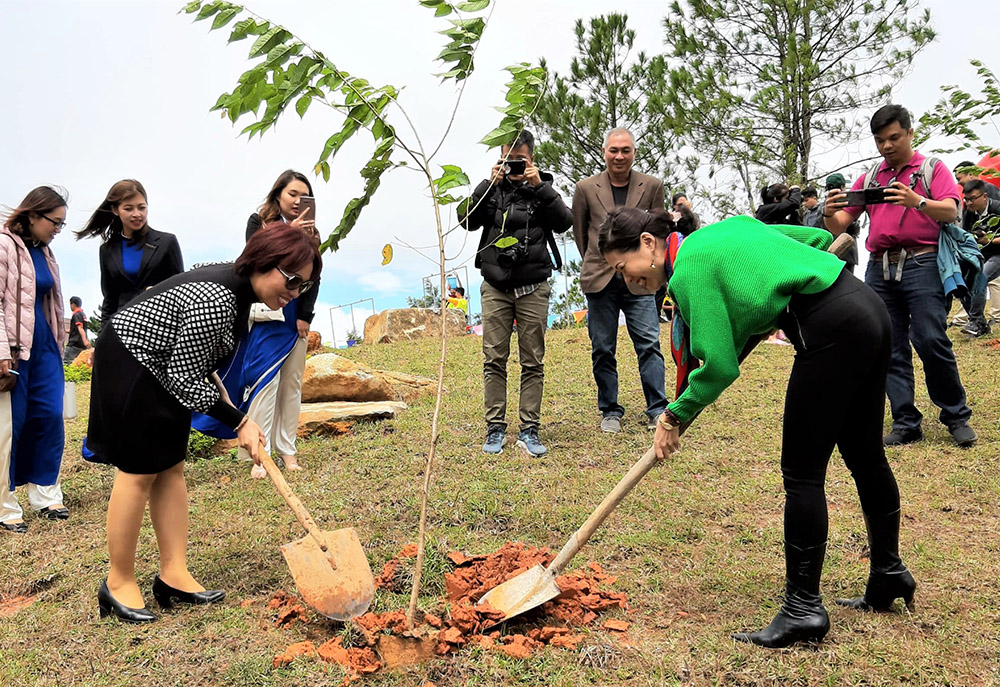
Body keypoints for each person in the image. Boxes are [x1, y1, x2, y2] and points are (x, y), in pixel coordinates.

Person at [599, 208, 915, 649]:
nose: (626, 279)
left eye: (622, 267)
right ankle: (888, 572)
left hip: (830, 330)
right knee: (865, 454)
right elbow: (812, 237)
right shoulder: (719, 233)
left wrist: (673, 415)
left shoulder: (689, 269)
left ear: (648, 244)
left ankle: (803, 607)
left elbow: (720, 366)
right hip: (865, 308)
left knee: (802, 474)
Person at [86, 222, 321, 623]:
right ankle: (118, 581)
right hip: (133, 361)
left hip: (163, 362)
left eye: (303, 285)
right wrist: (239, 421)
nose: (295, 293)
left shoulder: (238, 287)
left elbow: (194, 357)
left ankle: (174, 573)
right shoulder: (217, 296)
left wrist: (232, 407)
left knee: (171, 468)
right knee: (139, 472)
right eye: (293, 280)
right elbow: (183, 375)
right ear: (265, 262)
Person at [824, 104, 977, 447]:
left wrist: (916, 201)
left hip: (922, 264)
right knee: (888, 345)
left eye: (894, 138)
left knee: (930, 339)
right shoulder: (871, 177)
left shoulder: (931, 168)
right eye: (880, 141)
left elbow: (952, 210)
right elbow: (840, 226)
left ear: (910, 132)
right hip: (878, 268)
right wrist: (829, 213)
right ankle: (906, 421)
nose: (887, 146)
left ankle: (956, 414)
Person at [194, 170, 320, 477]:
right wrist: (292, 232)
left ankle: (288, 451)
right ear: (278, 194)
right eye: (292, 194)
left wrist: (305, 315)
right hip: (268, 312)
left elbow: (312, 277)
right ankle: (257, 454)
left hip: (294, 316)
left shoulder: (313, 233)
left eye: (304, 196)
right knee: (264, 381)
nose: (296, 201)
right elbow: (256, 260)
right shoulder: (260, 222)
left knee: (292, 384)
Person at [460, 130, 572, 456]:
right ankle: (495, 427)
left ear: (531, 159)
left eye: (518, 161)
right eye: (506, 160)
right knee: (493, 359)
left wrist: (540, 187)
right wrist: (487, 184)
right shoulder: (492, 191)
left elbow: (564, 221)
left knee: (532, 360)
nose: (512, 167)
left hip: (533, 285)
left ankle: (530, 429)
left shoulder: (542, 189)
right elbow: (466, 219)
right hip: (495, 285)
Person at [573, 128, 668, 433]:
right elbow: (581, 232)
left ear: (634, 153)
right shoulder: (585, 188)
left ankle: (657, 407)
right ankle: (610, 410)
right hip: (599, 280)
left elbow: (657, 230)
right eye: (614, 150)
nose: (619, 156)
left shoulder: (652, 186)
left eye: (625, 150)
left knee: (649, 344)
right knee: (602, 348)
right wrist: (603, 260)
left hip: (639, 280)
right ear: (604, 152)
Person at [1, 186, 70, 533]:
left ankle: (45, 493)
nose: (57, 230)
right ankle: (5, 504)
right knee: (10, 426)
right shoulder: (3, 244)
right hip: (12, 350)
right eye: (54, 222)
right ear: (33, 215)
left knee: (49, 416)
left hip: (44, 348)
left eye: (61, 224)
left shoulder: (45, 252)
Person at [76, 179, 184, 329]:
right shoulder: (107, 250)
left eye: (142, 207)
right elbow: (110, 300)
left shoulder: (167, 242)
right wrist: (102, 341)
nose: (137, 214)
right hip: (123, 330)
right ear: (115, 210)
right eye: (128, 209)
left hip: (160, 329)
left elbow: (181, 290)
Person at [958, 179, 1000, 336]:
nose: (969, 203)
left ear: (984, 197)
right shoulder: (968, 214)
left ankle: (975, 322)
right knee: (961, 282)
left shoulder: (997, 208)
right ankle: (980, 323)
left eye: (973, 198)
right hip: (981, 253)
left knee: (980, 277)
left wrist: (989, 240)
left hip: (998, 253)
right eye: (966, 199)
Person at [810, 174, 861, 273]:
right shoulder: (848, 206)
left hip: (827, 253)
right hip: (847, 253)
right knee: (848, 287)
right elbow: (854, 229)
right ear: (842, 187)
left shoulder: (821, 208)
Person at [63, 296, 92, 365]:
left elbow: (80, 328)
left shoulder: (76, 315)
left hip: (74, 343)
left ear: (73, 304)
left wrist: (85, 341)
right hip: (81, 344)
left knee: (66, 363)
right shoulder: (82, 314)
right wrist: (63, 330)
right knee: (79, 364)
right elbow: (74, 329)